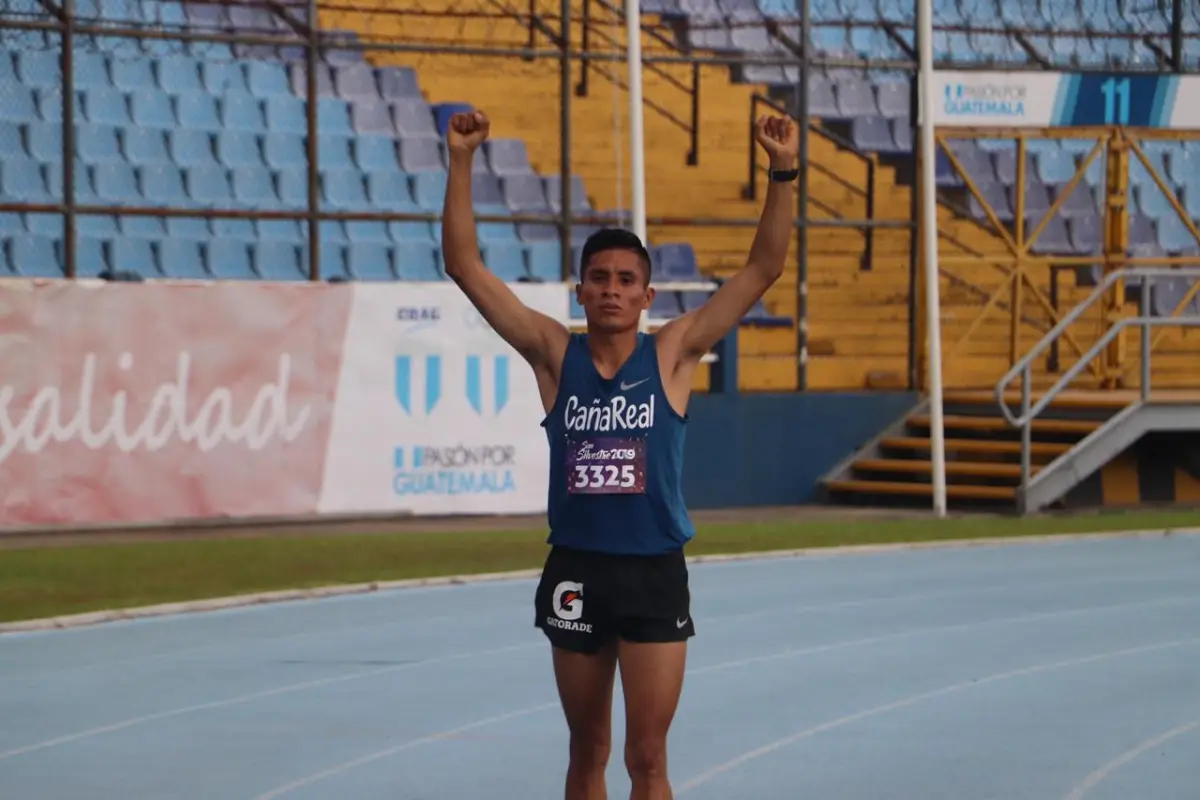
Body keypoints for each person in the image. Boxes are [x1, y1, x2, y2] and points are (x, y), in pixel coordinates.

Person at [441, 108, 798, 800]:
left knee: (648, 758)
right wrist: (461, 160)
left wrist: (782, 171)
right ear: (581, 290)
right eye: (599, 277)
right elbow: (464, 266)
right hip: (576, 569)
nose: (611, 288)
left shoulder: (672, 353)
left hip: (653, 573)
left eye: (625, 279)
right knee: (587, 751)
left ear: (646, 295)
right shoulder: (553, 354)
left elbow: (764, 268)